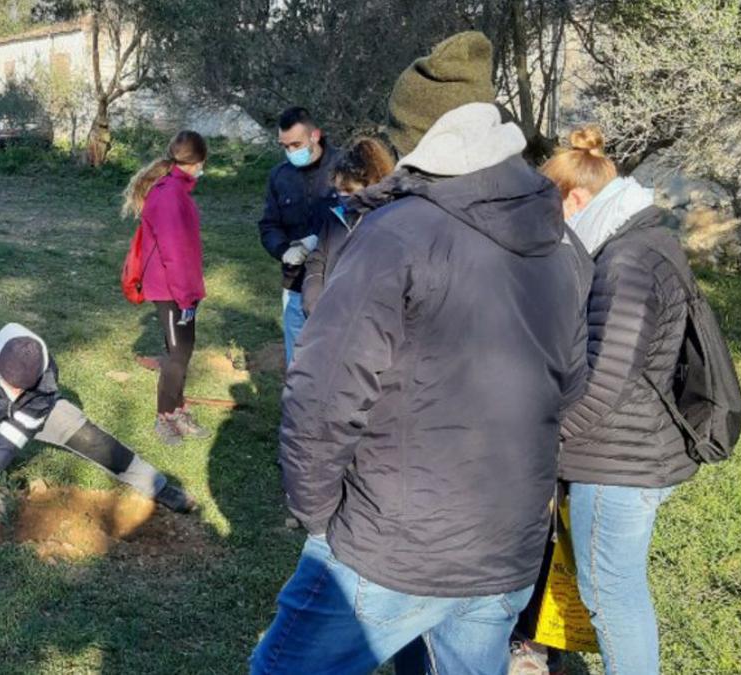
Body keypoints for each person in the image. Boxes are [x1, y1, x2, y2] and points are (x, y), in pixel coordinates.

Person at [250, 31, 591, 675]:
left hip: (390, 544)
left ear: (416, 138)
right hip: (507, 543)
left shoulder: (396, 234)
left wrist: (321, 517)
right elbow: (570, 387)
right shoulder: (563, 241)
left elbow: (323, 398)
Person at [541, 127, 694, 675]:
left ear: (575, 200)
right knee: (614, 590)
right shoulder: (638, 242)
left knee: (611, 596)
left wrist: (548, 435)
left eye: (549, 208)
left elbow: (606, 380)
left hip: (617, 460)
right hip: (626, 448)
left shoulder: (625, 261)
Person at [0, 322, 196, 521]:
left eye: (24, 388)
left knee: (84, 432)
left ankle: (156, 485)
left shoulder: (41, 366)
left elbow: (26, 419)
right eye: (12, 387)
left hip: (20, 414)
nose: (17, 393)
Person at [122, 131, 211, 446]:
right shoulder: (170, 194)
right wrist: (186, 297)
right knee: (177, 354)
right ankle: (165, 417)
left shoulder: (177, 189)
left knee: (182, 353)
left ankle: (179, 409)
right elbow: (173, 253)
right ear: (198, 161)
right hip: (171, 289)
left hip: (182, 288)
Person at [257, 106, 341, 365]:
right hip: (295, 285)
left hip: (337, 282)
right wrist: (283, 250)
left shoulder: (344, 166)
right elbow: (268, 224)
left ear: (315, 135)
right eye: (285, 146)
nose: (292, 151)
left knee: (335, 363)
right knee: (298, 364)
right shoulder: (280, 176)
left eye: (296, 144)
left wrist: (321, 238)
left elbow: (363, 213)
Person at [301, 136, 396, 317]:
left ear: (373, 184)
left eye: (349, 190)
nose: (342, 196)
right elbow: (318, 257)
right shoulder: (335, 218)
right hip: (328, 317)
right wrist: (312, 292)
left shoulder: (392, 222)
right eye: (338, 190)